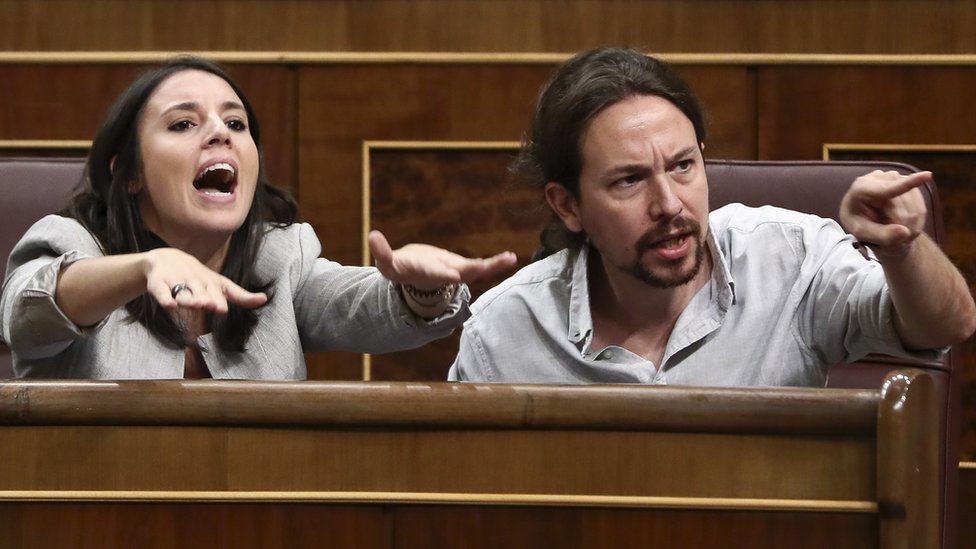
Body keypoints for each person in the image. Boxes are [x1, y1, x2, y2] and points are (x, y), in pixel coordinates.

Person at [448, 47, 976, 385]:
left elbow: (946, 326)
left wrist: (902, 249)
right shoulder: (503, 335)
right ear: (568, 205)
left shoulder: (790, 259)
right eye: (629, 180)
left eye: (683, 166)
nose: (670, 205)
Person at [0, 56, 517, 379]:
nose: (219, 133)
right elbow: (28, 312)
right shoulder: (72, 243)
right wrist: (144, 267)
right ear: (129, 173)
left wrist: (419, 290)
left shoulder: (280, 256)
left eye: (235, 122)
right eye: (183, 123)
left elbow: (364, 306)